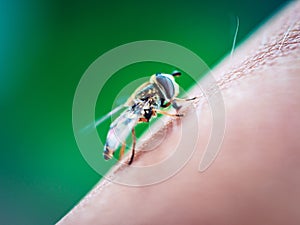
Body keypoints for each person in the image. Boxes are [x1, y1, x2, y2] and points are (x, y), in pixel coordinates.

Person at [58, 1, 300, 224]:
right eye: (166, 84)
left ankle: (121, 152)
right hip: (125, 128)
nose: (169, 86)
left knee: (131, 122)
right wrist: (173, 116)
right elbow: (132, 118)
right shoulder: (147, 101)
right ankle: (122, 152)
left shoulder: (153, 97)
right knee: (130, 124)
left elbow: (156, 106)